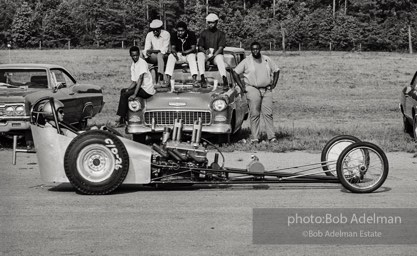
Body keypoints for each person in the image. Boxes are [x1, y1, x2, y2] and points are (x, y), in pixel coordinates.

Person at [232, 42, 280, 143]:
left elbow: (276, 70)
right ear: (251, 50)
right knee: (254, 113)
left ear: (260, 49)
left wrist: (274, 84)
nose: (255, 51)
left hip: (267, 89)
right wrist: (242, 87)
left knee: (268, 113)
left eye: (257, 49)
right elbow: (235, 72)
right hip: (252, 88)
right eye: (253, 49)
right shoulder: (247, 61)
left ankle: (272, 137)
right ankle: (255, 137)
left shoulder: (266, 59)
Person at [115, 46, 155, 127]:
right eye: (133, 55)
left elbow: (140, 79)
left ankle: (121, 119)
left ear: (139, 54)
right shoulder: (133, 65)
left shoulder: (142, 63)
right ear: (130, 55)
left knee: (125, 95)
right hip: (141, 87)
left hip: (147, 90)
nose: (135, 57)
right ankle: (124, 117)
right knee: (123, 91)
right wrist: (128, 89)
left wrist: (134, 94)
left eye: (137, 55)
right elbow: (134, 81)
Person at [197, 13, 228, 88]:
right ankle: (202, 78)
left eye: (212, 22)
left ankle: (224, 79)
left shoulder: (221, 34)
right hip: (207, 55)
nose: (210, 24)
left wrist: (214, 56)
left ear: (216, 22)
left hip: (216, 55)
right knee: (200, 55)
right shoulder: (204, 33)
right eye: (209, 22)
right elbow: (200, 46)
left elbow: (221, 48)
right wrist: (205, 52)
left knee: (220, 58)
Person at [165, 21, 198, 86]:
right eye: (178, 31)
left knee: (192, 57)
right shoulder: (174, 35)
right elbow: (173, 47)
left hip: (189, 53)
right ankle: (167, 80)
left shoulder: (191, 34)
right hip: (179, 54)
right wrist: (174, 53)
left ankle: (194, 80)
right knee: (171, 57)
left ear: (186, 30)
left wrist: (185, 52)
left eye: (182, 31)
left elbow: (193, 48)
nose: (180, 33)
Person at [144, 19, 170, 85]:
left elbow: (164, 49)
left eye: (157, 29)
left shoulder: (166, 34)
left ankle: (160, 76)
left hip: (164, 56)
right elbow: (147, 48)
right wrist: (147, 53)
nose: (155, 31)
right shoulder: (149, 35)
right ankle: (142, 75)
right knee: (141, 54)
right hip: (154, 56)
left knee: (160, 54)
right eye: (153, 30)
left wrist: (152, 51)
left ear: (160, 28)